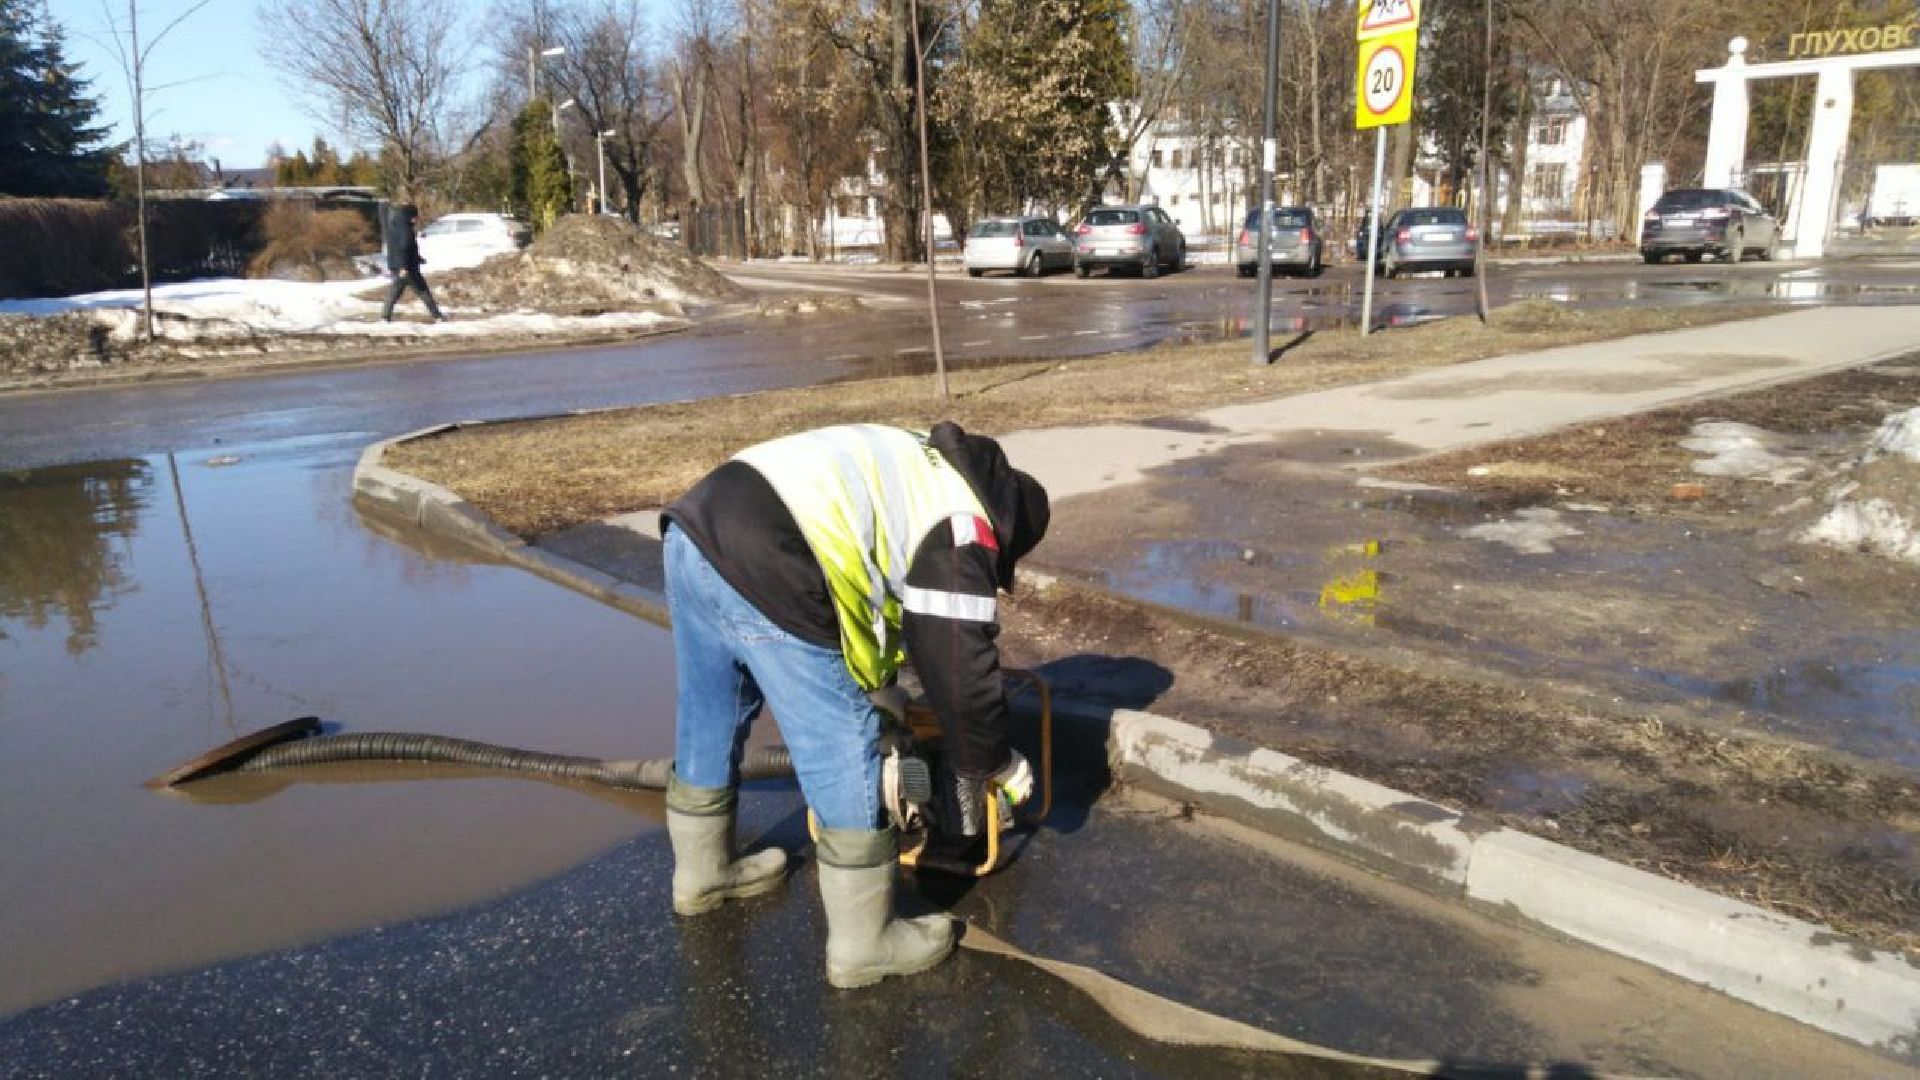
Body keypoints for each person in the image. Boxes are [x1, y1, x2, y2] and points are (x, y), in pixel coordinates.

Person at [659, 421, 1050, 989]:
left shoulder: (927, 467)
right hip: (770, 548)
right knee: (839, 737)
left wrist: (882, 683)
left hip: (693, 527)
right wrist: (995, 761)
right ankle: (865, 944)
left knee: (711, 707)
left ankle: (703, 875)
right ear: (1008, 530)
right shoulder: (965, 527)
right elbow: (960, 665)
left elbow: (875, 588)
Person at [381, 203, 444, 323]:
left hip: (398, 265)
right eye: (415, 216)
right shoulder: (405, 228)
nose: (416, 219)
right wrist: (404, 266)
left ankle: (385, 316)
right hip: (408, 267)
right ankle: (437, 316)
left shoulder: (396, 226)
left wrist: (417, 258)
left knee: (394, 292)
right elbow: (404, 247)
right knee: (423, 291)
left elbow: (403, 248)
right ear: (409, 216)